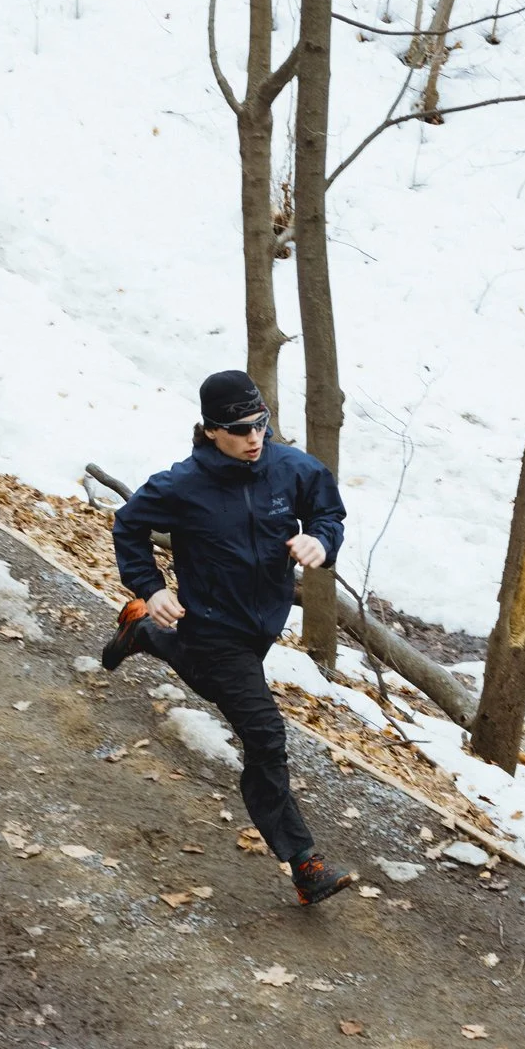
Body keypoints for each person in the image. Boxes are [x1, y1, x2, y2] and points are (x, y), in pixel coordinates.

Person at [100, 369, 352, 906]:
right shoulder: (183, 484)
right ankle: (303, 863)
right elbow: (129, 524)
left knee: (210, 680)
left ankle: (144, 634)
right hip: (214, 626)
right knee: (264, 736)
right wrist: (151, 585)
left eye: (260, 424)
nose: (255, 438)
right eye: (240, 430)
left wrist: (320, 542)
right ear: (212, 430)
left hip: (261, 625)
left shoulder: (290, 469)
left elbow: (329, 512)